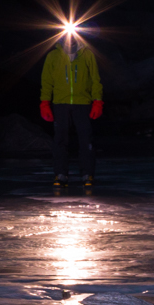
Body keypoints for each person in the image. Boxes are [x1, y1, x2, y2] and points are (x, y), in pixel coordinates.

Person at [39, 25, 102, 186]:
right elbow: (46, 81)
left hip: (83, 103)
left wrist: (97, 100)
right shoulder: (53, 56)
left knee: (85, 139)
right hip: (61, 103)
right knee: (60, 140)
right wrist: (45, 102)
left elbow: (95, 79)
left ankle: (87, 174)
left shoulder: (87, 54)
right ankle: (61, 174)